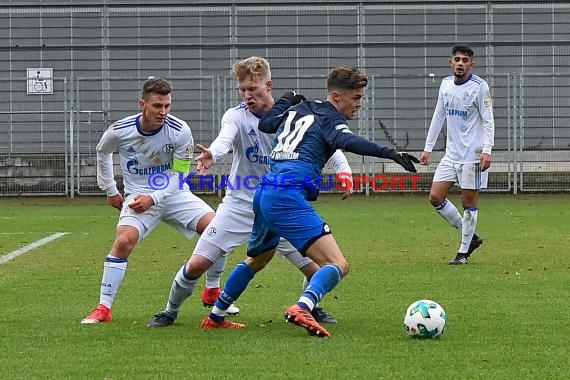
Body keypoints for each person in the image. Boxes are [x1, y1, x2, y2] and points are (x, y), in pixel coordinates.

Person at [200, 66, 418, 337]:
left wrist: (286, 99)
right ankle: (304, 306)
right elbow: (347, 140)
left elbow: (266, 124)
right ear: (337, 97)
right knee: (337, 264)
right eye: (357, 98)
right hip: (287, 196)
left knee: (258, 259)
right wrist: (391, 153)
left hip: (265, 191)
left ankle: (216, 316)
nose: (359, 104)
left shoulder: (299, 109)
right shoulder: (330, 119)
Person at [147, 56, 352, 329]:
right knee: (196, 265)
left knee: (320, 268)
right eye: (242, 89)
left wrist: (344, 170)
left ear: (269, 85)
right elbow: (225, 137)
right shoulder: (236, 116)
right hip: (240, 205)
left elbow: (327, 141)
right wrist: (213, 155)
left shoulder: (294, 114)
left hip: (281, 206)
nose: (247, 96)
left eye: (252, 89)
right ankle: (169, 312)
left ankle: (312, 307)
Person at [81, 77, 225, 324]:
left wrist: (154, 198)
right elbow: (102, 151)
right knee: (124, 242)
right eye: (158, 106)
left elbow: (180, 175)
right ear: (143, 104)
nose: (164, 112)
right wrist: (110, 190)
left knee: (217, 228)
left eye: (167, 105)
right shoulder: (120, 130)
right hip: (138, 196)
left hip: (173, 194)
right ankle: (103, 308)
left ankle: (212, 289)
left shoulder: (180, 130)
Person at [419, 44, 495, 265]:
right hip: (451, 155)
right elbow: (438, 116)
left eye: (465, 60)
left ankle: (463, 253)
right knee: (435, 197)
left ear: (472, 64)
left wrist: (488, 150)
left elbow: (489, 121)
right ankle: (469, 237)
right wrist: (428, 148)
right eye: (457, 59)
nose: (460, 63)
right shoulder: (444, 85)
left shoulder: (480, 87)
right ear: (450, 62)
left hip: (473, 155)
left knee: (467, 202)